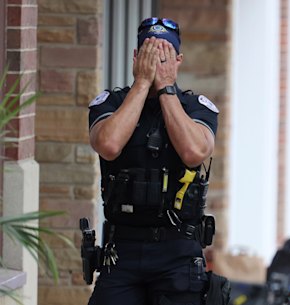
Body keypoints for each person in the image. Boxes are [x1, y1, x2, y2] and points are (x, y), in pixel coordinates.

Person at [87, 17, 219, 305]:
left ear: (178, 60)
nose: (156, 60)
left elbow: (194, 152)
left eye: (164, 55)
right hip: (123, 248)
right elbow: (108, 145)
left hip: (178, 250)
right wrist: (142, 84)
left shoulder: (195, 108)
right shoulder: (111, 102)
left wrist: (166, 89)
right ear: (136, 57)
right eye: (149, 53)